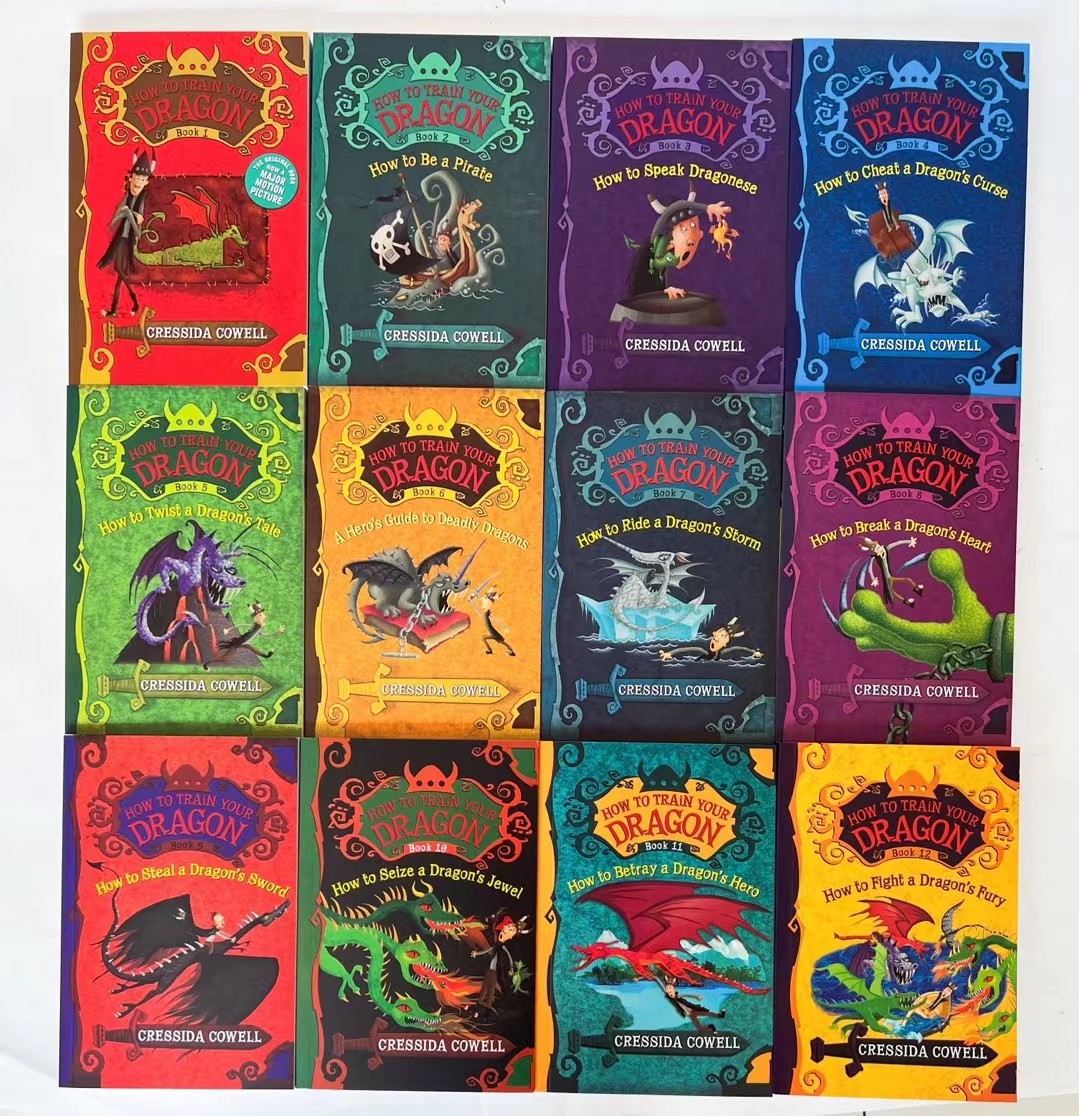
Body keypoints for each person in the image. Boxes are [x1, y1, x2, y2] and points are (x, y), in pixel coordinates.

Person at [98, 149, 155, 318]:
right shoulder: (127, 197)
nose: (138, 181)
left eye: (142, 179)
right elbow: (114, 221)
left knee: (119, 270)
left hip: (129, 241)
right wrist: (128, 213)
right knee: (119, 277)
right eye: (136, 177)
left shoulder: (141, 201)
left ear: (146, 183)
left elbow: (137, 231)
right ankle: (118, 309)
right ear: (131, 178)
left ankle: (133, 302)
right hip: (120, 239)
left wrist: (129, 213)